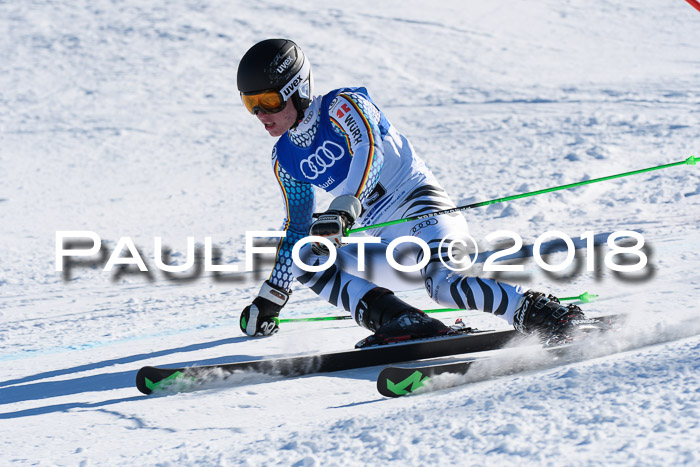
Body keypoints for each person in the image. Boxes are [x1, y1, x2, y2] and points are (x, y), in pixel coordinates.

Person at [236, 38, 586, 347]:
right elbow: (296, 226)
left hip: (422, 210)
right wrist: (271, 298)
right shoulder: (283, 158)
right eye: (250, 103)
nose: (260, 114)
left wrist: (343, 209)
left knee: (444, 285)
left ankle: (542, 313)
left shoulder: (343, 106)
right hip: (386, 244)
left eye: (269, 100)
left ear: (298, 89)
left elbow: (369, 150)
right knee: (305, 255)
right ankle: (402, 321)